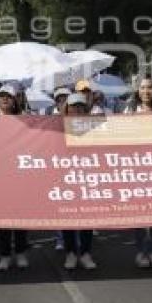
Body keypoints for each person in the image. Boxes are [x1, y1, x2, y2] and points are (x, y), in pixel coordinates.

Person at [124, 75, 152, 268]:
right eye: (142, 88)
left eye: (149, 88)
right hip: (137, 169)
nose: (146, 91)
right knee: (140, 215)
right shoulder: (129, 111)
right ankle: (141, 251)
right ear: (137, 91)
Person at [0, 83, 29, 271]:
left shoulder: (24, 120)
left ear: (15, 99)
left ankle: (21, 253)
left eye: (8, 96)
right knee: (3, 219)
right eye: (1, 96)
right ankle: (4, 255)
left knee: (20, 217)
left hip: (19, 174)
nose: (5, 99)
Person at [60, 93, 98, 270]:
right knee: (68, 218)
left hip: (87, 178)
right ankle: (70, 253)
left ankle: (85, 253)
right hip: (66, 178)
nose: (76, 110)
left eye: (80, 107)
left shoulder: (95, 127)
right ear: (67, 109)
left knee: (87, 218)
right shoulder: (57, 128)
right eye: (73, 107)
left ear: (86, 110)